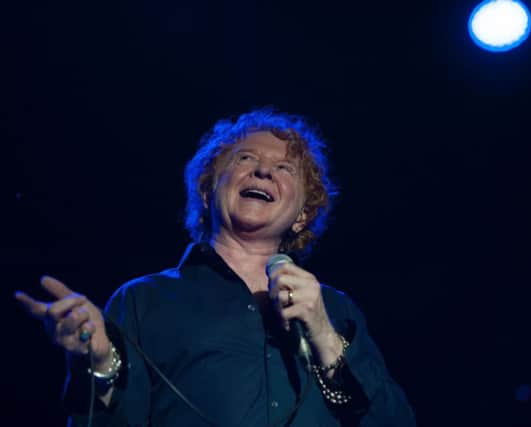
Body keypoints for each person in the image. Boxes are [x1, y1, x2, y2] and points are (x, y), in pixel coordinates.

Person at [15, 108, 416, 426]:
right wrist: (99, 366)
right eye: (246, 158)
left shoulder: (336, 310)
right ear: (208, 191)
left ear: (302, 215)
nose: (263, 171)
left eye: (285, 169)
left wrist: (325, 336)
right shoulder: (144, 299)